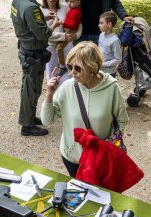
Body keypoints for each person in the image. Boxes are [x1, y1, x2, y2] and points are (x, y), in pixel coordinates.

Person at [40, 41, 128, 177]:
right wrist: (49, 94)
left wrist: (110, 148)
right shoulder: (67, 87)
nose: (72, 73)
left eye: (78, 68)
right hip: (73, 158)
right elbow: (47, 120)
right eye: (70, 66)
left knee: (101, 195)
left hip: (101, 158)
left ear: (92, 68)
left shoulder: (111, 88)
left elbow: (122, 120)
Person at [10, 0, 60, 136]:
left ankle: (29, 118)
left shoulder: (18, 2)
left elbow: (24, 21)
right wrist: (54, 25)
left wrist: (44, 18)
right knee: (31, 90)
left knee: (28, 87)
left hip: (26, 51)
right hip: (33, 55)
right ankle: (27, 125)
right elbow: (43, 34)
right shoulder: (31, 7)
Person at [41, 0, 82, 86]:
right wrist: (63, 36)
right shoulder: (41, 11)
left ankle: (68, 97)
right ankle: (53, 97)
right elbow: (43, 33)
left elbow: (78, 24)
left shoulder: (65, 7)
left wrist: (76, 35)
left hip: (66, 47)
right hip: (51, 48)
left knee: (69, 77)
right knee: (52, 77)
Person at [53, 0, 81, 77]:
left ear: (78, 2)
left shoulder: (76, 11)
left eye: (72, 2)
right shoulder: (72, 9)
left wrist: (63, 22)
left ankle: (63, 66)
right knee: (58, 47)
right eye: (68, 1)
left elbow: (74, 25)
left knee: (59, 48)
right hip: (66, 31)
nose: (69, 3)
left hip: (70, 31)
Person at [98, 11, 122, 78]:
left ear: (109, 24)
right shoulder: (101, 35)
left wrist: (103, 64)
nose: (99, 25)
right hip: (99, 70)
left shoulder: (115, 40)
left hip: (109, 73)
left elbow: (118, 59)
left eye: (101, 23)